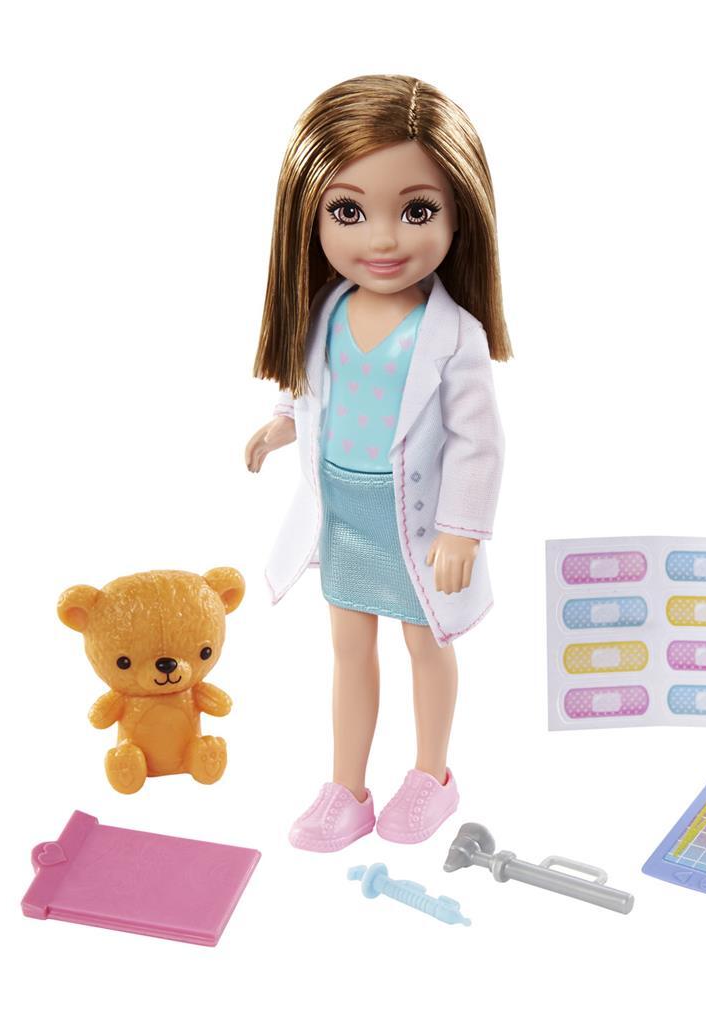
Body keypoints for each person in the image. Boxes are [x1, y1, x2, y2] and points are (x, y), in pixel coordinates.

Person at [245, 75, 510, 851]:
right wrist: (282, 423)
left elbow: (480, 441)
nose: (384, 240)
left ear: (461, 214)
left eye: (417, 210)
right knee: (348, 649)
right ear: (310, 215)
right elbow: (313, 382)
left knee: (426, 645)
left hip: (418, 524)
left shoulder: (453, 335)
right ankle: (347, 787)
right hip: (344, 515)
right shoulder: (325, 309)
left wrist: (462, 529)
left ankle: (431, 776)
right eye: (349, 212)